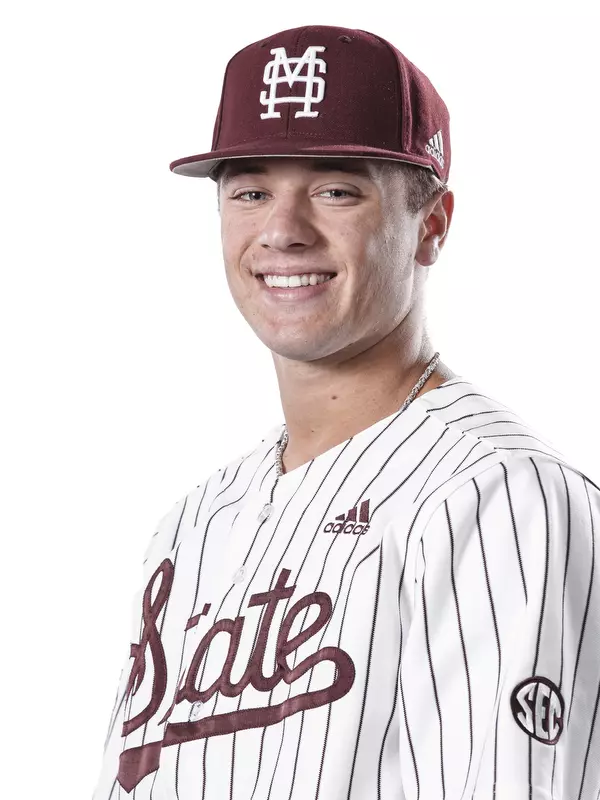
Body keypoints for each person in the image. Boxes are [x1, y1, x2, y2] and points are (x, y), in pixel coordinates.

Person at [93, 24, 600, 800]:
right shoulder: (193, 525)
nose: (283, 231)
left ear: (431, 224)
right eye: (251, 192)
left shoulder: (499, 495)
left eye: (335, 190)